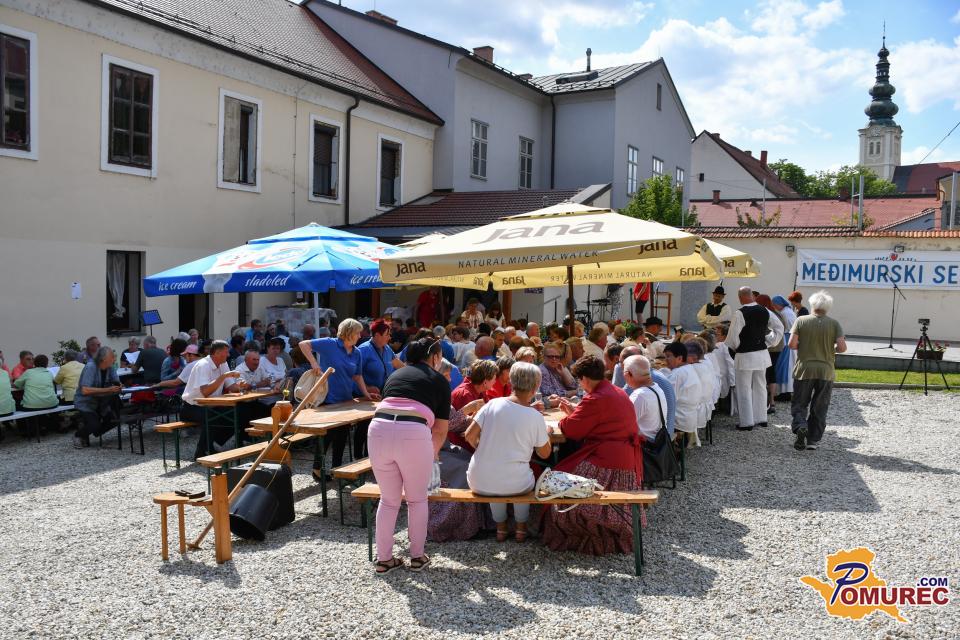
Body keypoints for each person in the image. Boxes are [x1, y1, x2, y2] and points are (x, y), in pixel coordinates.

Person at [541, 356, 642, 555]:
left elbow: (571, 430)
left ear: (585, 379)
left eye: (580, 380)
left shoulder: (596, 398)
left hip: (606, 460)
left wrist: (569, 416)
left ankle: (582, 536)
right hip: (625, 458)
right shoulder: (617, 391)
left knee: (560, 485)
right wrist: (576, 411)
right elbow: (601, 420)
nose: (580, 384)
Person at [368, 337, 450, 574]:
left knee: (388, 500)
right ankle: (417, 556)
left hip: (378, 429)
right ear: (435, 357)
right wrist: (430, 456)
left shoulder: (395, 375)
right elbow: (440, 430)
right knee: (417, 500)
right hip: (413, 431)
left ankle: (384, 559)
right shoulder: (438, 380)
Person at [465, 362, 553, 542]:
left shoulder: (492, 404)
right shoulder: (535, 416)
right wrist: (547, 434)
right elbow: (545, 454)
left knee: (497, 471)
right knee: (520, 477)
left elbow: (469, 435)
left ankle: (501, 528)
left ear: (511, 381)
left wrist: (485, 449)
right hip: (515, 483)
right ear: (536, 386)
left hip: (479, 480)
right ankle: (521, 528)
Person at [300, 318, 379, 471]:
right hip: (328, 398)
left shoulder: (356, 352)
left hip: (346, 400)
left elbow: (358, 376)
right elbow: (303, 344)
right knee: (327, 436)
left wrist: (366, 394)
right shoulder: (330, 344)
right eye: (358, 333)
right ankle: (317, 469)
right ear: (349, 332)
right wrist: (314, 363)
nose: (360, 336)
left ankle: (337, 469)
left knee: (341, 437)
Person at [427, 359, 489, 542]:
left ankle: (476, 523)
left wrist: (477, 420)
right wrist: (470, 410)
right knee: (467, 468)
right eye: (446, 375)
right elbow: (449, 424)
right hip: (431, 452)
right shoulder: (430, 397)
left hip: (443, 447)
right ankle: (449, 526)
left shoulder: (439, 394)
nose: (449, 379)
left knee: (473, 459)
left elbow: (455, 421)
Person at [789, 290, 846, 451]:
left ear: (812, 304)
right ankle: (812, 440)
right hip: (826, 370)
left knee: (800, 403)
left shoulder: (801, 320)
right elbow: (842, 347)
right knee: (820, 406)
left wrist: (804, 346)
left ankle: (801, 425)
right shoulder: (834, 324)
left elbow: (792, 344)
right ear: (828, 307)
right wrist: (831, 349)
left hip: (804, 369)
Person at [725, 286, 784, 431]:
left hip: (745, 355)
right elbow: (779, 328)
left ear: (740, 297)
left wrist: (738, 347)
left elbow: (732, 337)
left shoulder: (740, 313)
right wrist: (769, 341)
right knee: (760, 386)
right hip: (762, 354)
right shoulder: (765, 310)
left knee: (744, 388)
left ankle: (747, 422)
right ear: (752, 296)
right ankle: (761, 418)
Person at [180, 340, 243, 457]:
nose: (228, 354)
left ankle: (213, 444)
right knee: (213, 416)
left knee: (238, 412)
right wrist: (223, 377)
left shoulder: (223, 363)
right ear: (217, 353)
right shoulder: (203, 365)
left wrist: (241, 386)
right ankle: (201, 451)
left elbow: (232, 387)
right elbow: (205, 392)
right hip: (191, 407)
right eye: (226, 352)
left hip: (211, 405)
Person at [73, 347, 122, 448]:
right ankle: (78, 435)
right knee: (94, 424)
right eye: (112, 357)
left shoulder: (110, 367)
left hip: (102, 402)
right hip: (86, 403)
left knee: (115, 420)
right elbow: (85, 390)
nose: (114, 359)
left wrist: (119, 386)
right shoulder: (91, 367)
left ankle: (93, 431)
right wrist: (108, 390)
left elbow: (116, 382)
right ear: (104, 359)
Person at [662, 342, 703, 446]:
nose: (666, 360)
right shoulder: (689, 369)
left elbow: (667, 400)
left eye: (668, 356)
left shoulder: (677, 374)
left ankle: (663, 451)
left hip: (680, 419)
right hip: (690, 417)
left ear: (680, 358)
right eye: (665, 356)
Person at [623, 355, 668, 442]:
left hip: (646, 446)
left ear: (628, 374)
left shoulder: (640, 395)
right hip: (658, 442)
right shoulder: (656, 388)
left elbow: (623, 425)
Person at [358, 320, 404, 397]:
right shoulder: (363, 350)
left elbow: (398, 364)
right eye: (387, 334)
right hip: (365, 398)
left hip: (384, 395)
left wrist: (412, 373)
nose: (390, 337)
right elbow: (353, 375)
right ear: (377, 335)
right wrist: (367, 388)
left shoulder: (387, 348)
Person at [772, 295, 798, 398]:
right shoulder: (789, 311)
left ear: (779, 304)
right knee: (788, 367)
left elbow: (785, 328)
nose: (774, 307)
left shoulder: (784, 313)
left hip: (786, 341)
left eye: (774, 305)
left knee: (784, 367)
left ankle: (783, 392)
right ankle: (786, 391)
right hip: (790, 341)